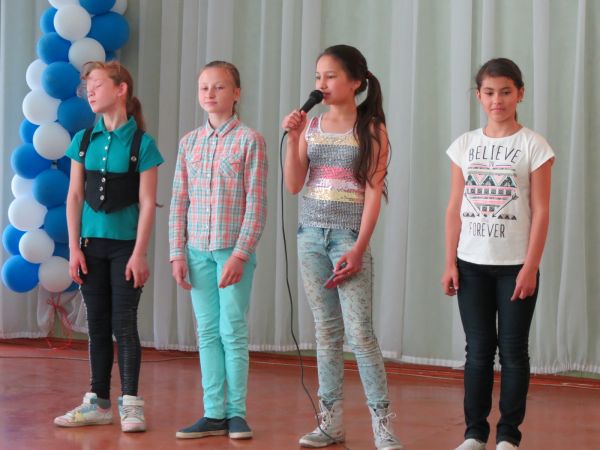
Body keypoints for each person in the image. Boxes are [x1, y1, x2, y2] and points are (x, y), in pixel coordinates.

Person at [282, 44, 403, 450]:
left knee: (361, 334)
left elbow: (373, 192)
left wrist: (359, 247)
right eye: (318, 76)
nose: (322, 83)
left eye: (330, 76)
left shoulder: (372, 129)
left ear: (356, 82)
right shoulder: (312, 126)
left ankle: (382, 425)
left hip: (349, 238)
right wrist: (295, 138)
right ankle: (330, 422)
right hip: (310, 237)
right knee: (326, 331)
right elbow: (294, 184)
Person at [441, 58, 554, 450]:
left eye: (506, 92)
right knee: (477, 352)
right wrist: (450, 262)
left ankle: (508, 436)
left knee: (513, 352)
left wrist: (531, 267)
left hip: (515, 267)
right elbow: (454, 207)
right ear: (478, 96)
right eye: (489, 92)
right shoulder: (464, 145)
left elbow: (541, 211)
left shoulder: (534, 146)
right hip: (470, 265)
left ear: (520, 93)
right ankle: (474, 433)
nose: (497, 100)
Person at [54, 61, 164, 432]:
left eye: (97, 84)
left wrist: (139, 253)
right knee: (97, 325)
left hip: (125, 249)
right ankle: (98, 402)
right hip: (90, 248)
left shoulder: (142, 144)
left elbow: (147, 203)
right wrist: (74, 249)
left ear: (121, 89)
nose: (90, 91)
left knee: (124, 324)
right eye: (87, 87)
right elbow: (74, 196)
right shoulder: (83, 140)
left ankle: (131, 403)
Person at [169, 60, 267, 441]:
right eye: (204, 87)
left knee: (232, 329)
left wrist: (241, 254)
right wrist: (177, 253)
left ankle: (236, 412)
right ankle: (212, 413)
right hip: (196, 251)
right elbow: (179, 201)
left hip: (231, 252)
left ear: (236, 93)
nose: (210, 93)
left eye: (219, 87)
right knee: (207, 331)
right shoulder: (189, 143)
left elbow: (256, 205)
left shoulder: (249, 141)